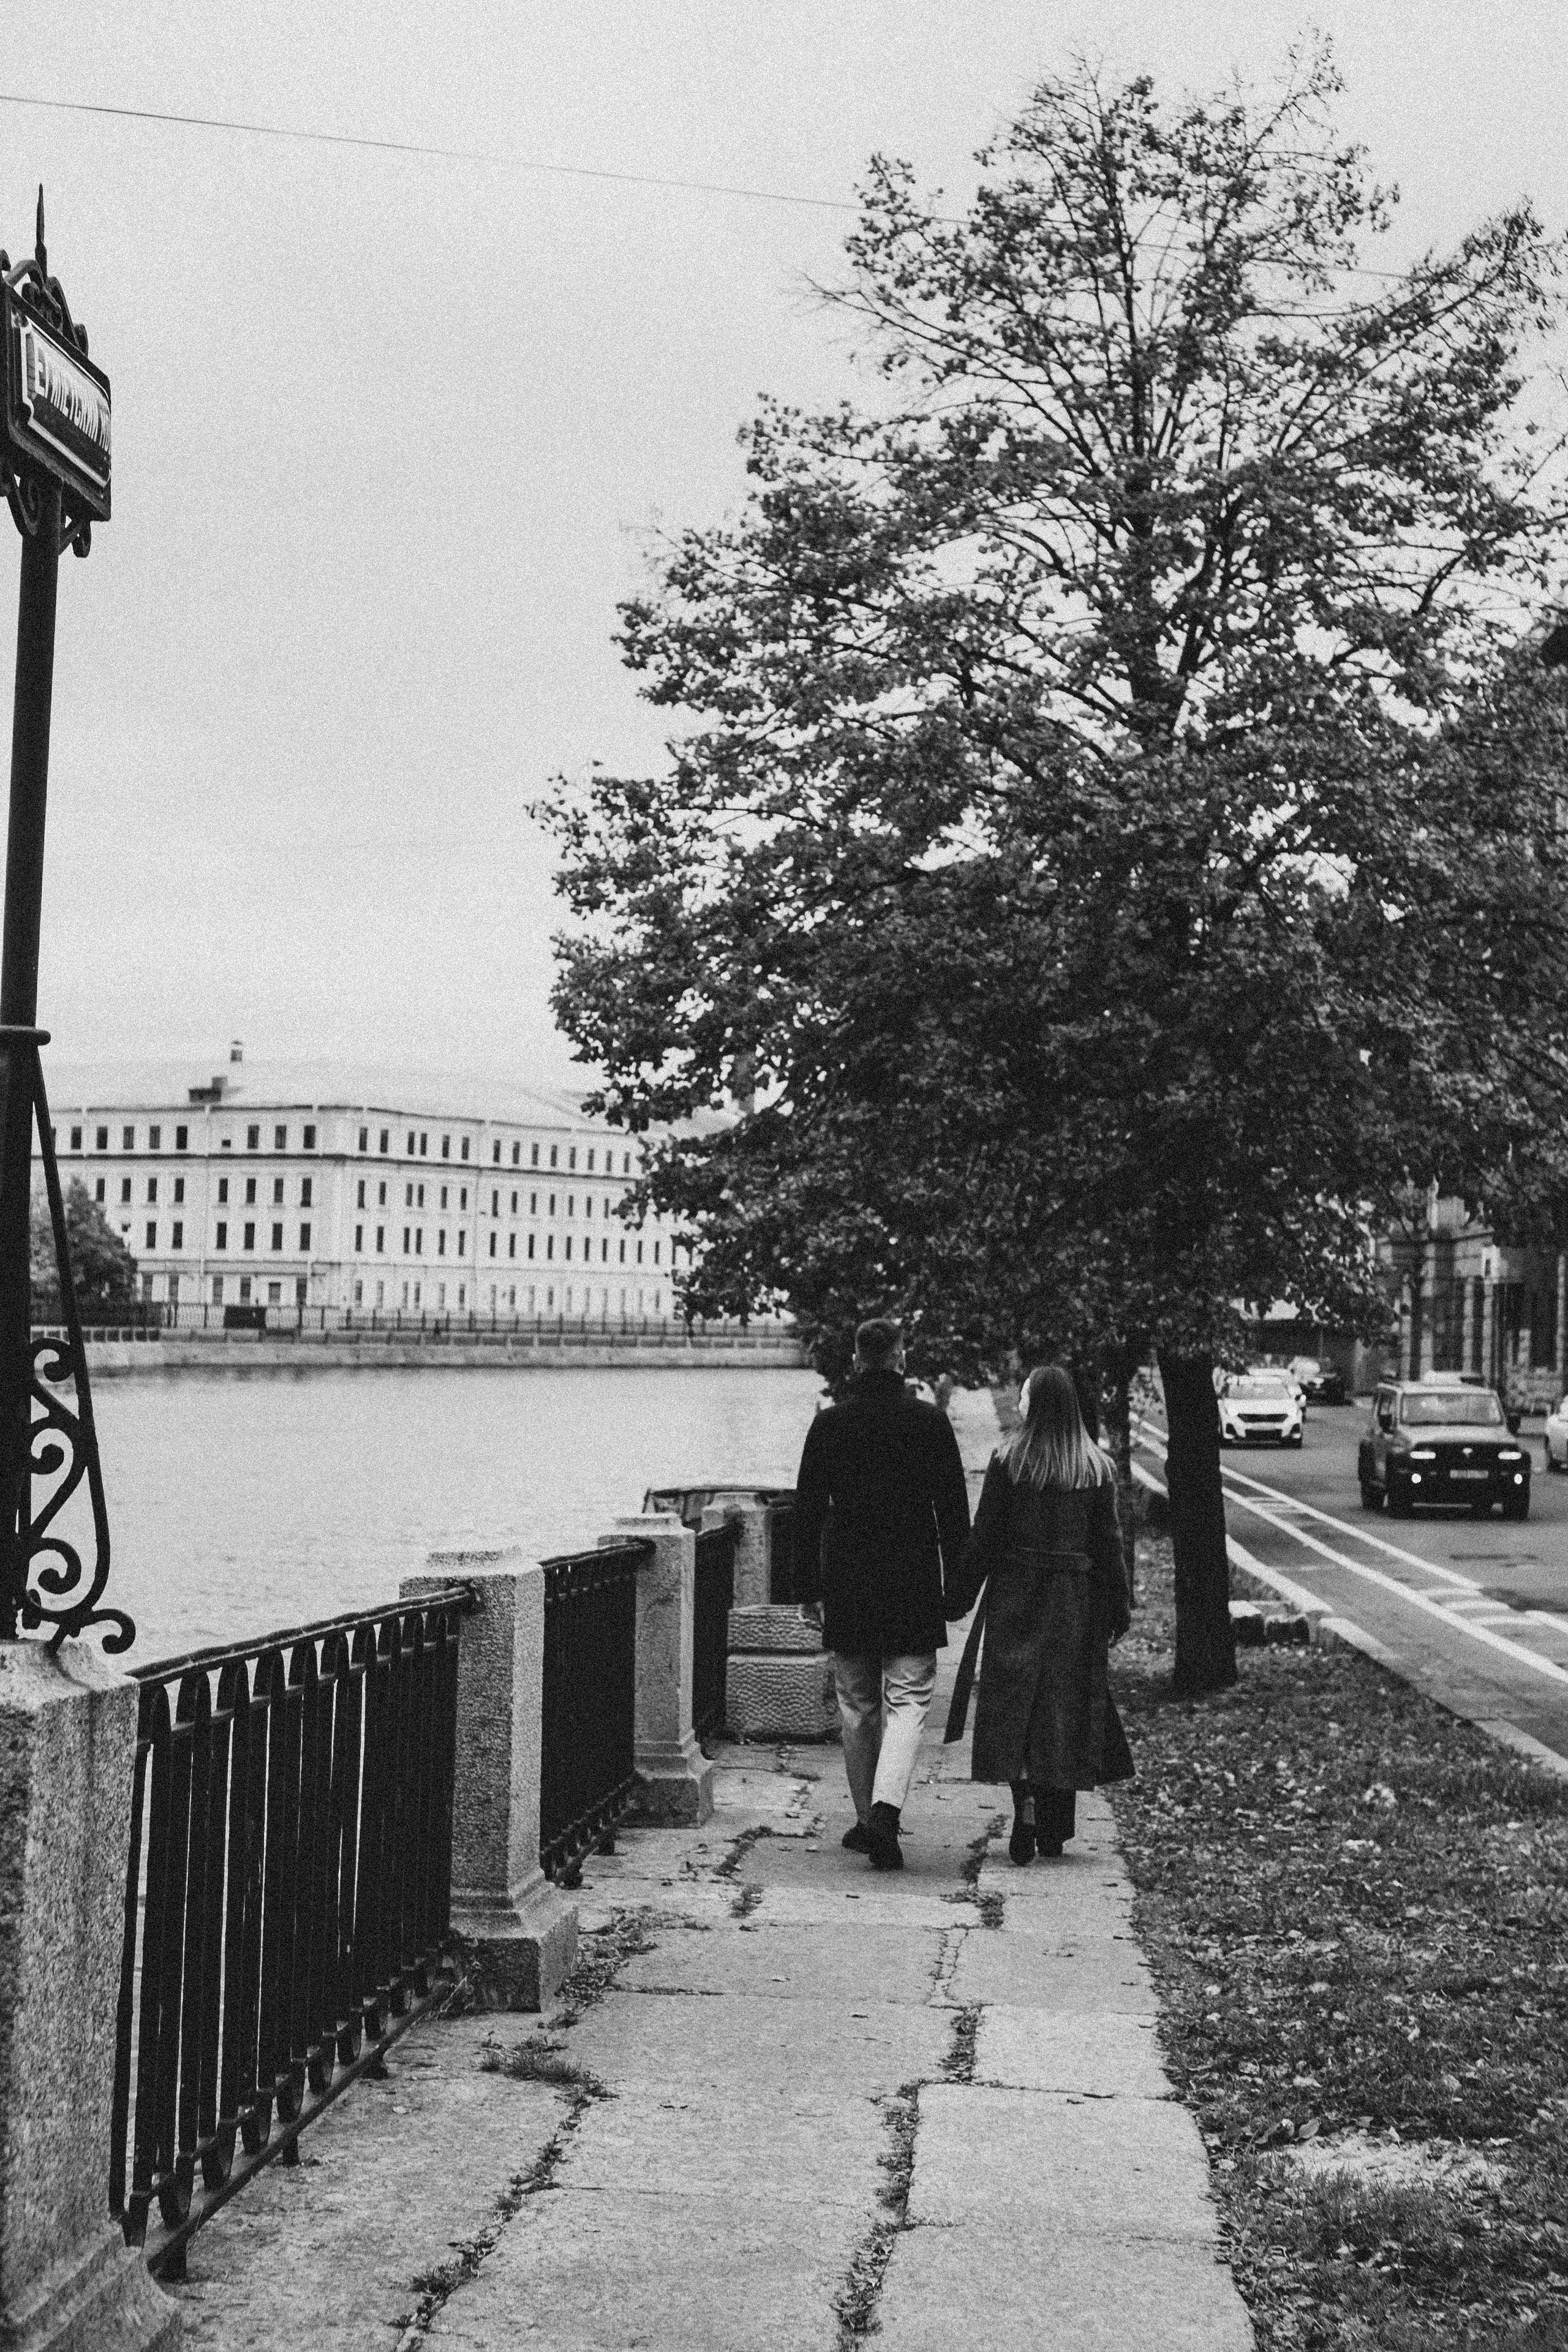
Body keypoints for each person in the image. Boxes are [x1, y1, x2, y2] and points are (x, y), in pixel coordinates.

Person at [793, 1318, 971, 1871]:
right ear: (901, 1357)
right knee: (909, 1699)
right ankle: (885, 1811)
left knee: (858, 1705)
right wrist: (958, 1585)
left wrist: (808, 1587)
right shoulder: (929, 1421)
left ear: (855, 1359)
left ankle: (868, 1819)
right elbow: (953, 1511)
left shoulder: (830, 1424)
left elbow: (806, 1513)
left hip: (849, 1578)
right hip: (912, 1578)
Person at [948, 1363, 1133, 1861]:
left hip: (1017, 1594)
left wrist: (959, 1596)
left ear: (1039, 1404)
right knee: (1062, 1706)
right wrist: (1118, 1608)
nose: (1020, 1401)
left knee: (1015, 1703)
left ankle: (1024, 1798)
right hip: (1075, 1602)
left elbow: (984, 1537)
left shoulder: (1009, 1461)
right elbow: (1109, 1546)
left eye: (1025, 1394)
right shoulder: (1096, 1468)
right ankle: (1054, 1829)